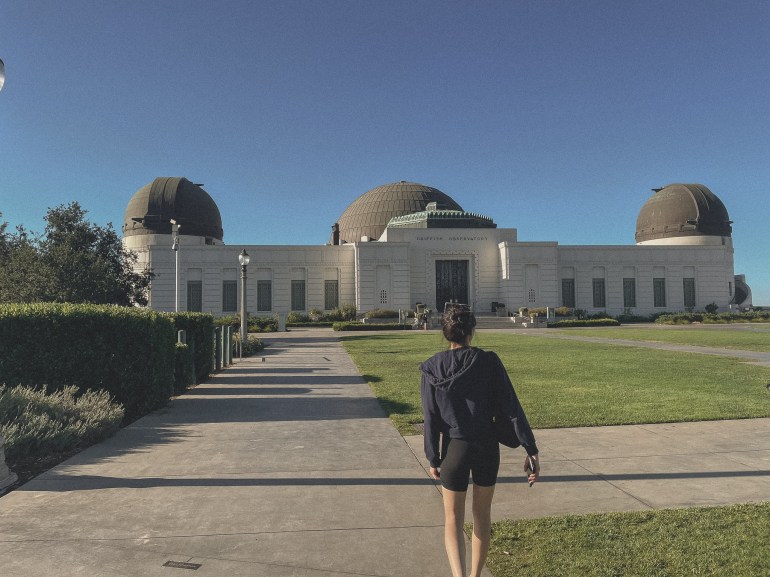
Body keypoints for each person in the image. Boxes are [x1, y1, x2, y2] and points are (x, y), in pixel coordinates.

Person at [420, 304, 540, 577]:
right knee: (481, 517)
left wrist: (433, 457)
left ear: (445, 332)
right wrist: (530, 448)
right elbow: (512, 407)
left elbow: (430, 418)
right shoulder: (488, 361)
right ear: (471, 332)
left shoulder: (432, 368)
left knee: (452, 520)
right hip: (486, 447)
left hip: (454, 450)